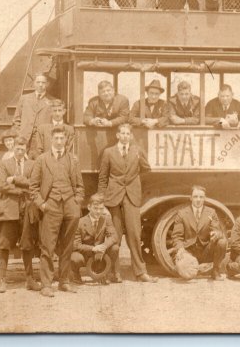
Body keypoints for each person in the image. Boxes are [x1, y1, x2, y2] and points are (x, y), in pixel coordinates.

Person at [98, 123, 157, 283]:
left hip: (132, 196)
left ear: (131, 136)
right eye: (122, 133)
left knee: (134, 234)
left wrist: (135, 182)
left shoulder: (137, 151)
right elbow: (103, 178)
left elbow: (147, 169)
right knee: (114, 236)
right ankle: (113, 272)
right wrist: (101, 200)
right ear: (117, 135)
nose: (125, 136)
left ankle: (140, 272)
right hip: (113, 197)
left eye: (128, 134)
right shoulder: (108, 152)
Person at [29, 126, 84, 297]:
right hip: (50, 206)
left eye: (62, 138)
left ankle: (64, 281)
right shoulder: (42, 160)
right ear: (51, 140)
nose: (59, 142)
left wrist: (76, 203)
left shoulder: (73, 159)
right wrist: (42, 204)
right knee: (48, 246)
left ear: (66, 140)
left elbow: (80, 186)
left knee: (67, 246)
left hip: (70, 206)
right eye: (56, 138)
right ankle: (46, 284)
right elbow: (33, 187)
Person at [0, 137, 41, 293]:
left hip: (27, 209)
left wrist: (14, 179)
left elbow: (33, 184)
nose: (20, 152)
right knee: (5, 244)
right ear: (13, 148)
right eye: (17, 149)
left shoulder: (32, 164)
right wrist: (21, 190)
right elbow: (1, 186)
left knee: (27, 244)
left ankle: (30, 279)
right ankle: (2, 279)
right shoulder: (5, 164)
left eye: (23, 149)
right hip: (9, 210)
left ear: (26, 149)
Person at [171, 185, 228, 281]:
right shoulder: (182, 213)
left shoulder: (211, 212)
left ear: (204, 198)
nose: (198, 200)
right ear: (191, 198)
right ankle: (187, 267)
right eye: (195, 197)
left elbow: (217, 230)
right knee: (186, 275)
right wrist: (180, 249)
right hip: (188, 251)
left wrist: (216, 234)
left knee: (222, 242)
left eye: (201, 197)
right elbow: (176, 236)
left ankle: (215, 271)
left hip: (206, 250)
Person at [70, 193, 119, 285]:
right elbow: (75, 245)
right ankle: (76, 275)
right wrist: (93, 249)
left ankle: (105, 273)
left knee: (115, 248)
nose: (98, 212)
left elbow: (114, 237)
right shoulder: (80, 222)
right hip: (85, 254)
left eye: (101, 209)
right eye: (95, 208)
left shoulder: (106, 219)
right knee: (75, 258)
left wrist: (104, 246)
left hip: (100, 253)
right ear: (89, 207)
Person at [13, 73, 56, 152]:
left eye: (43, 82)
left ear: (47, 84)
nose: (40, 85)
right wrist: (20, 134)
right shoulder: (24, 98)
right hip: (24, 140)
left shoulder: (53, 101)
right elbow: (16, 119)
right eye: (38, 82)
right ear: (34, 83)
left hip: (42, 140)